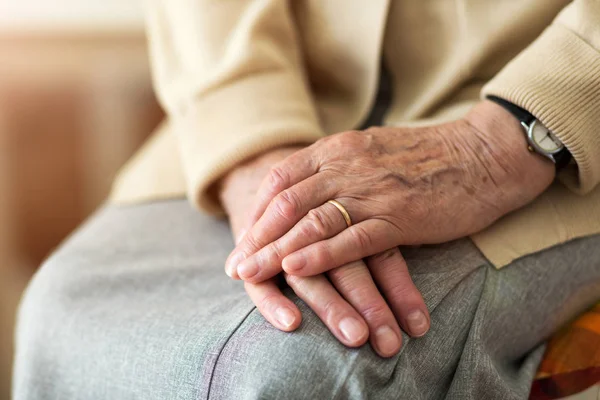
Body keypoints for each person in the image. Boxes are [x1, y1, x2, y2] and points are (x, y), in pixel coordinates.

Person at [13, 0, 600, 399]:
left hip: (550, 130)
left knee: (303, 368)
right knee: (60, 310)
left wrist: (501, 144)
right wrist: (251, 137)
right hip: (274, 94)